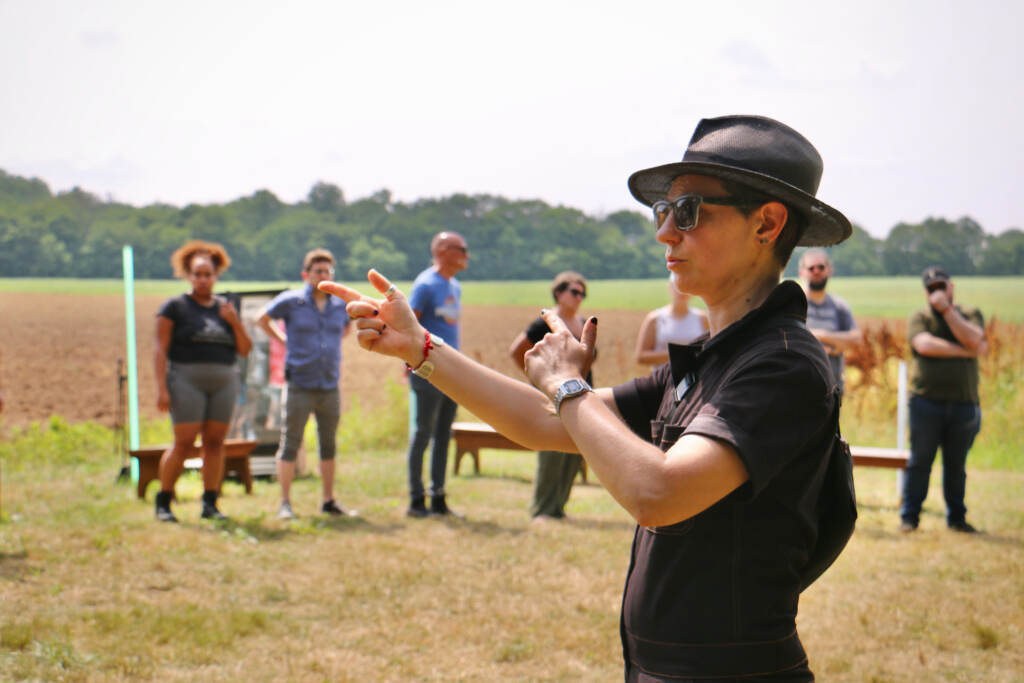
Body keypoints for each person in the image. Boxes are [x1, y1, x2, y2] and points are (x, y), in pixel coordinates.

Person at [322, 114, 853, 680]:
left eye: (689, 210)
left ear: (768, 223)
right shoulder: (714, 357)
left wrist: (568, 387)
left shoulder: (783, 362)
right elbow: (544, 421)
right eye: (663, 211)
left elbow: (659, 492)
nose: (665, 232)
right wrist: (421, 348)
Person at [154, 240, 252, 522]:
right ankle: (164, 501)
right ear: (188, 275)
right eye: (197, 274)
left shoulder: (225, 308)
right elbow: (160, 349)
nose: (203, 280)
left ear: (216, 276)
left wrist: (234, 322)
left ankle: (210, 502)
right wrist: (162, 388)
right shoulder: (174, 307)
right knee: (184, 443)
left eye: (208, 274)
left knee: (215, 443)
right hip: (186, 379)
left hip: (223, 381)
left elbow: (245, 349)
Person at [257, 249, 354, 520]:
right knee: (291, 443)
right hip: (299, 383)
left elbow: (347, 327)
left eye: (328, 272)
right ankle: (285, 503)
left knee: (329, 444)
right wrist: (282, 339)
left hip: (329, 384)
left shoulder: (339, 305)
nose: (323, 276)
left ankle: (328, 500)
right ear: (306, 274)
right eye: (318, 271)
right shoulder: (291, 301)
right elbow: (262, 319)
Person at [900, 266, 987, 534]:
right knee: (920, 461)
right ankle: (910, 518)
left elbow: (977, 340)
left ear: (952, 287)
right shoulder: (920, 317)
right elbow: (924, 345)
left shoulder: (970, 314)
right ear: (925, 293)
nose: (937, 293)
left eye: (941, 286)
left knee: (956, 465)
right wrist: (965, 351)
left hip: (964, 404)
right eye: (931, 289)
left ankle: (957, 518)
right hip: (926, 403)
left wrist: (949, 312)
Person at [508, 271, 590, 520]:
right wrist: (538, 379)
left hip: (583, 394)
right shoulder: (546, 323)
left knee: (575, 452)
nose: (579, 297)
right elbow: (516, 351)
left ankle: (559, 506)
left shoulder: (584, 323)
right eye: (574, 292)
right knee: (552, 451)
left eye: (582, 293)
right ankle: (543, 509)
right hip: (555, 395)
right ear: (558, 293)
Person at [404, 231, 469, 518]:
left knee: (444, 435)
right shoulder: (425, 285)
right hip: (428, 370)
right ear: (443, 250)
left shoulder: (455, 286)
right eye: (461, 249)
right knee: (422, 434)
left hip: (452, 373)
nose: (467, 255)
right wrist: (410, 361)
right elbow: (408, 325)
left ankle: (438, 497)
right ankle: (416, 500)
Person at [798, 248, 862, 394]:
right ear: (802, 272)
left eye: (821, 267)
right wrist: (836, 345)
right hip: (799, 390)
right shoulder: (795, 304)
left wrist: (820, 335)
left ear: (829, 270)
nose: (816, 271)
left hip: (833, 390)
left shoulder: (839, 306)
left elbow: (856, 339)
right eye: (811, 268)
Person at [634, 273, 709, 365]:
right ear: (669, 287)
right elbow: (641, 357)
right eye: (677, 286)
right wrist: (679, 354)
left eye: (687, 286)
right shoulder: (655, 318)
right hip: (663, 378)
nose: (682, 291)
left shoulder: (703, 318)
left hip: (696, 378)